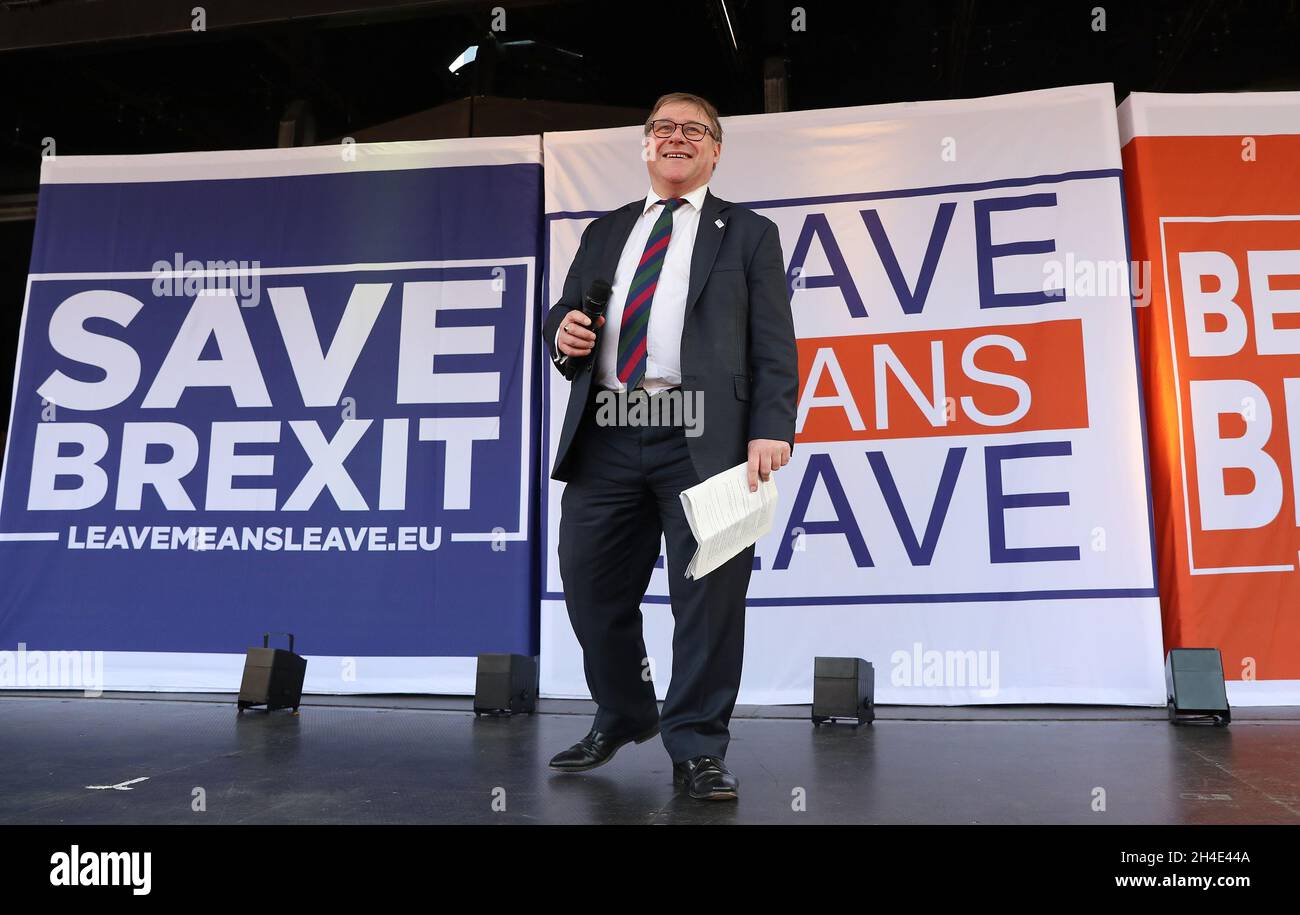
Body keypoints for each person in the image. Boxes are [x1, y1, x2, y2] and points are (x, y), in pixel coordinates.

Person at [541, 92, 797, 801]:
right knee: (589, 583)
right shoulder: (606, 230)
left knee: (710, 600)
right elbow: (567, 315)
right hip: (609, 431)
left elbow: (775, 341)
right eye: (663, 128)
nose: (676, 137)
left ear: (715, 150)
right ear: (646, 146)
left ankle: (697, 748)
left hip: (707, 439)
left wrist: (771, 424)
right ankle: (625, 710)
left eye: (693, 129)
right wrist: (562, 332)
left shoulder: (748, 233)